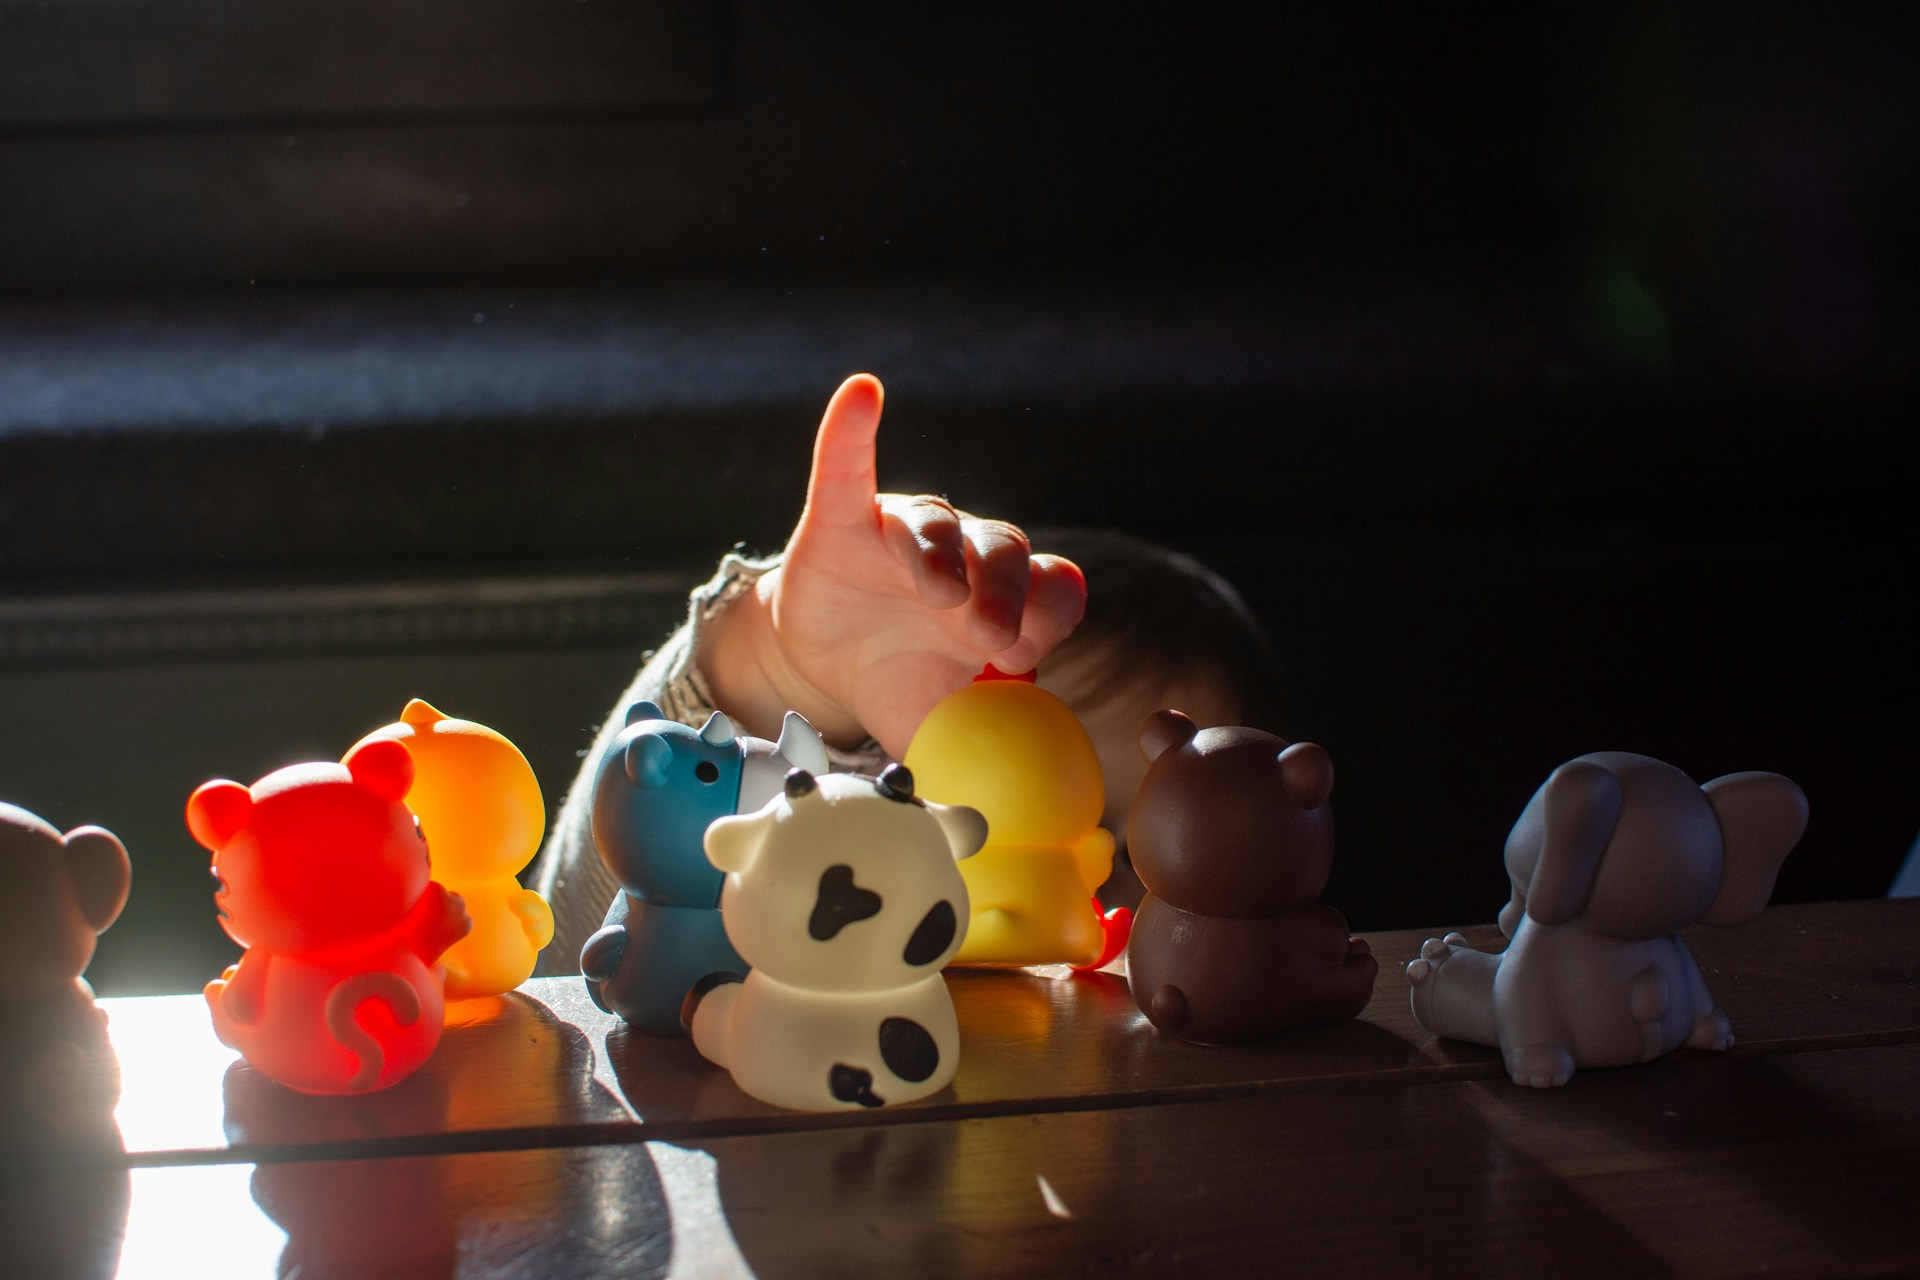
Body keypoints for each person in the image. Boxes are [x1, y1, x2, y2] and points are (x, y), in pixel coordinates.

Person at [530, 373, 1283, 972]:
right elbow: (583, 950)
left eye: (1137, 857)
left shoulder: (1188, 1022)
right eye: (1003, 813)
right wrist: (777, 666)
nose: (1088, 880)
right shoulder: (817, 930)